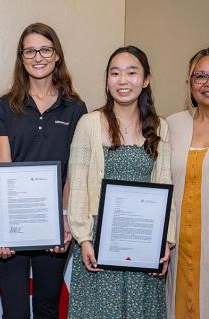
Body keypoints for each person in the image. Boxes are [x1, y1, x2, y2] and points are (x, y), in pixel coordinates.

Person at [66, 46, 176, 319]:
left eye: (131, 72)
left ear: (146, 79)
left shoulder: (160, 127)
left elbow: (165, 185)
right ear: (107, 80)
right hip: (100, 243)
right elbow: (77, 184)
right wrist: (84, 239)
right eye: (115, 73)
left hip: (144, 243)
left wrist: (166, 240)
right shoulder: (89, 123)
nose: (123, 80)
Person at [0, 23, 86, 319]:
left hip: (53, 224)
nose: (38, 57)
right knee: (14, 311)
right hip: (15, 225)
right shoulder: (6, 106)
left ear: (57, 55)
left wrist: (66, 218)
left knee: (46, 308)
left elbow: (74, 171)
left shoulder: (75, 108)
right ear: (22, 57)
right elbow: (3, 167)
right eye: (29, 50)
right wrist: (1, 226)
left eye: (45, 49)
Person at [166, 48, 209, 319]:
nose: (206, 83)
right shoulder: (172, 125)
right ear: (189, 82)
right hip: (178, 249)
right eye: (200, 76)